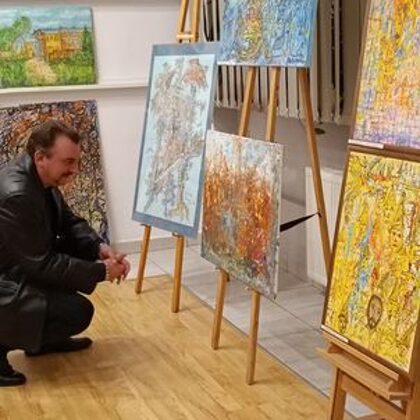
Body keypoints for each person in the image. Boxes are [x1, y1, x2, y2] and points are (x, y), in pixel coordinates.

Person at [0, 120, 130, 386]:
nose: (75, 169)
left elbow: (69, 223)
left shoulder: (38, 177)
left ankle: (40, 342)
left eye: (77, 162)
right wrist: (103, 271)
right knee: (77, 312)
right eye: (69, 162)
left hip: (17, 266)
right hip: (5, 281)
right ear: (41, 157)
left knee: (75, 266)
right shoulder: (18, 195)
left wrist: (99, 248)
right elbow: (42, 264)